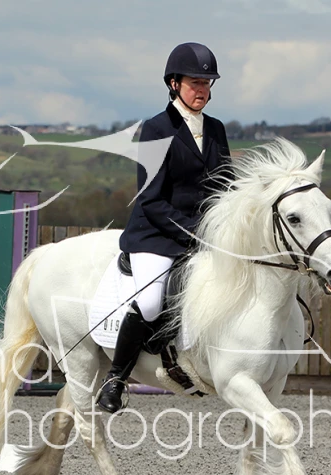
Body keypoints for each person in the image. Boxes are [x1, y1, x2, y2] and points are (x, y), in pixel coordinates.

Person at [96, 42, 232, 413]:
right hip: (156, 234)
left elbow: (226, 187)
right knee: (151, 301)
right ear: (174, 83)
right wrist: (194, 232)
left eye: (207, 83)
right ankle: (116, 378)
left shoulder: (216, 130)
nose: (202, 89)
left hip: (203, 236)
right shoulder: (156, 129)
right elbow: (151, 199)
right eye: (195, 82)